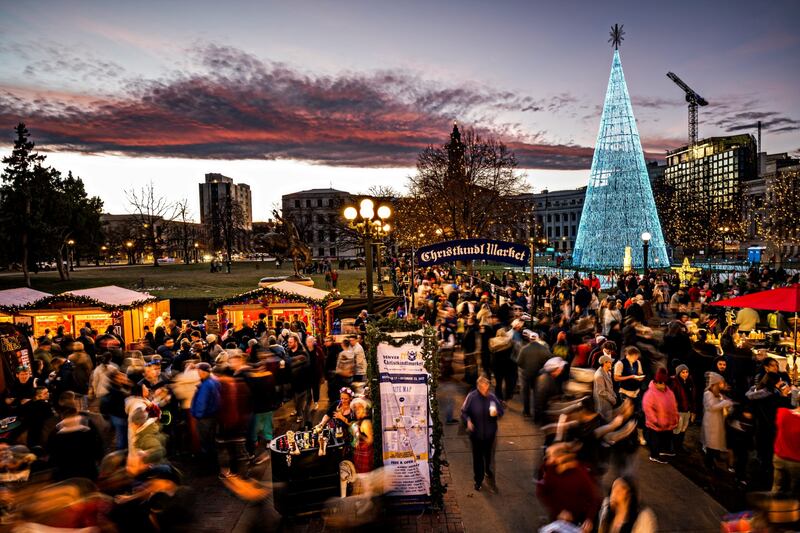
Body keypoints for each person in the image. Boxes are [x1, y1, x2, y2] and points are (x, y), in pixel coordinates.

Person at [461, 375, 504, 491]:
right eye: (482, 387)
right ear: (478, 387)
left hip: (490, 434)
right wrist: (468, 421)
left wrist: (497, 413)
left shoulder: (492, 397)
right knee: (478, 457)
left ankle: (488, 470)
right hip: (476, 434)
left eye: (487, 386)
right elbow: (464, 412)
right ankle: (478, 480)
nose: (485, 389)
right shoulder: (472, 397)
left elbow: (501, 411)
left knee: (488, 456)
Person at [642, 368, 679, 464]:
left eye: (663, 383)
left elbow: (673, 405)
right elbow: (647, 409)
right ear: (655, 382)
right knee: (655, 440)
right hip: (656, 424)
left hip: (667, 422)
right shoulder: (650, 394)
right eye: (660, 383)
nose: (662, 385)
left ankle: (663, 450)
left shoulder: (669, 392)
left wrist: (675, 417)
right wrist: (655, 420)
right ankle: (654, 455)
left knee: (665, 438)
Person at [190, 362, 221, 467]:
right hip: (213, 415)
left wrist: (197, 415)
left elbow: (201, 402)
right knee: (211, 439)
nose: (198, 373)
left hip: (205, 417)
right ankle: (213, 461)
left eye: (199, 371)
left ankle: (208, 464)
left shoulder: (206, 385)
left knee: (205, 440)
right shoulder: (214, 380)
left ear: (203, 372)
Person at [614, 346, 646, 445]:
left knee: (640, 414)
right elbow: (616, 378)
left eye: (637, 356)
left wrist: (640, 377)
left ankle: (640, 435)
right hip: (625, 392)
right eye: (635, 356)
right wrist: (631, 376)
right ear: (628, 355)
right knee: (628, 415)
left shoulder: (638, 362)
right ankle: (627, 437)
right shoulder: (620, 363)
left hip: (636, 392)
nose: (637, 358)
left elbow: (640, 373)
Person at [701, 372, 733, 471]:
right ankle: (708, 464)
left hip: (717, 422)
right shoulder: (708, 394)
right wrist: (725, 403)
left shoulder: (718, 395)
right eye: (721, 383)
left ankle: (712, 461)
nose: (723, 384)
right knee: (711, 445)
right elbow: (711, 407)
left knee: (715, 444)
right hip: (710, 423)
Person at [516, 331, 553, 418]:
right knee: (537, 393)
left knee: (526, 393)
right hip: (538, 374)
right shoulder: (543, 349)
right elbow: (550, 358)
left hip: (526, 374)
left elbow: (519, 362)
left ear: (529, 339)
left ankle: (526, 412)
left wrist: (525, 367)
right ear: (537, 338)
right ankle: (537, 413)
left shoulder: (524, 349)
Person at [772, 406, 800, 496]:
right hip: (797, 462)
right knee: (795, 493)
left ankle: (775, 507)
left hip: (779, 457)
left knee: (777, 489)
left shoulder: (782, 413)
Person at [668, 364, 695, 452]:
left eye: (687, 372)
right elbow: (671, 396)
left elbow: (692, 397)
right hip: (678, 410)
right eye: (683, 372)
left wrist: (692, 410)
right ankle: (674, 447)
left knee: (683, 428)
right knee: (677, 429)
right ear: (678, 373)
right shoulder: (674, 381)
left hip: (687, 410)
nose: (685, 374)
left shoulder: (689, 381)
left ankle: (680, 446)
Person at [350, 398, 374, 473]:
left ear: (363, 408)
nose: (356, 410)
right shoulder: (360, 422)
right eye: (355, 408)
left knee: (365, 477)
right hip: (360, 454)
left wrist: (360, 435)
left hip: (365, 456)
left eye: (358, 408)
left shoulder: (366, 423)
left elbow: (370, 440)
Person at [593, 355, 617, 421]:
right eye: (610, 362)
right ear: (605, 363)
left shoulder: (608, 372)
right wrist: (612, 399)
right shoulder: (599, 375)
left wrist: (614, 396)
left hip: (608, 401)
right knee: (606, 422)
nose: (611, 363)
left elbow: (610, 387)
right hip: (603, 404)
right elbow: (601, 391)